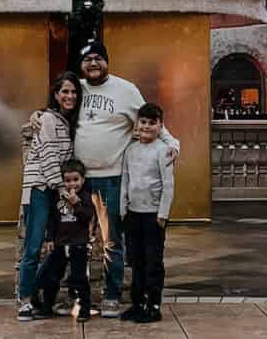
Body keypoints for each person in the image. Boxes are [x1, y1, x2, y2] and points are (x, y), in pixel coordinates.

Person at [73, 41, 179, 319]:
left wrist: (172, 144)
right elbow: (55, 113)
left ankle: (111, 295)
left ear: (107, 61)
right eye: (87, 60)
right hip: (79, 181)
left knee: (111, 242)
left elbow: (151, 119)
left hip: (111, 178)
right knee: (76, 241)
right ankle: (79, 298)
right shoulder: (77, 89)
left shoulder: (126, 89)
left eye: (98, 58)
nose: (93, 63)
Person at [17, 71, 81, 323]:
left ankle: (37, 291)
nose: (70, 96)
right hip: (41, 189)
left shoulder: (67, 121)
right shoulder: (46, 119)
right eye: (65, 91)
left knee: (58, 247)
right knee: (33, 247)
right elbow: (47, 155)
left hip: (58, 192)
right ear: (55, 94)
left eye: (74, 92)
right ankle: (24, 300)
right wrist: (61, 188)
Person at [120, 103, 175, 324]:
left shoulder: (163, 150)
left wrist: (163, 214)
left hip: (154, 216)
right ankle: (137, 303)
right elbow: (125, 178)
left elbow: (168, 184)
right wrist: (123, 208)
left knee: (153, 261)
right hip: (133, 213)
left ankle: (153, 304)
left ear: (160, 126)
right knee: (136, 261)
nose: (147, 126)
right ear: (137, 124)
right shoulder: (130, 150)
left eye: (152, 123)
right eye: (143, 122)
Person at [32, 158, 94, 321]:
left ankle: (84, 309)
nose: (72, 184)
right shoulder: (58, 198)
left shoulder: (86, 197)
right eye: (67, 180)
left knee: (79, 278)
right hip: (60, 244)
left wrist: (76, 204)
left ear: (83, 180)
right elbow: (52, 220)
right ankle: (47, 306)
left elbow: (86, 218)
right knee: (52, 276)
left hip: (78, 245)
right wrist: (50, 238)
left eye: (76, 180)